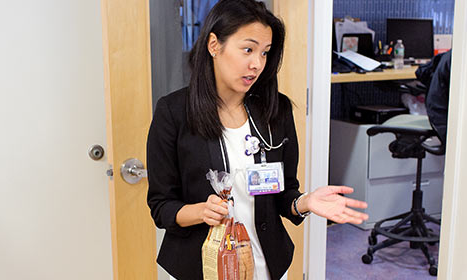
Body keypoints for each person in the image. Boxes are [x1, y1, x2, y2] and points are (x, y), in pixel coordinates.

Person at [146, 1, 368, 279]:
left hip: (265, 265)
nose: (257, 64)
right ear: (214, 45)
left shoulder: (276, 111)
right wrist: (200, 211)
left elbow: (283, 194)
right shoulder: (174, 112)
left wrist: (305, 202)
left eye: (265, 53)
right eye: (248, 49)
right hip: (199, 267)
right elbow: (161, 206)